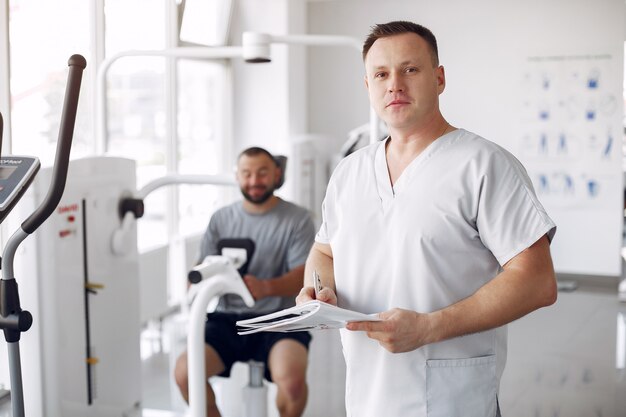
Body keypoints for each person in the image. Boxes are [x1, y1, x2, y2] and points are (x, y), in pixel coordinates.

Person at [296, 21, 557, 417]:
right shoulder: (349, 173)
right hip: (368, 395)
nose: (394, 84)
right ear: (367, 86)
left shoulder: (483, 165)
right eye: (381, 74)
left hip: (453, 399)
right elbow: (324, 252)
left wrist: (429, 327)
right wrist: (318, 292)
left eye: (410, 69)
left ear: (439, 79)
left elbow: (536, 281)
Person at [175, 146, 316, 417]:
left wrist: (267, 288)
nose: (254, 181)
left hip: (281, 319)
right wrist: (196, 283)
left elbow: (304, 275)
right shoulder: (221, 218)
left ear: (276, 174)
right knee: (184, 374)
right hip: (229, 320)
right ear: (237, 176)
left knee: (293, 384)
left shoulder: (297, 219)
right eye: (247, 174)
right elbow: (200, 268)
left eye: (262, 173)